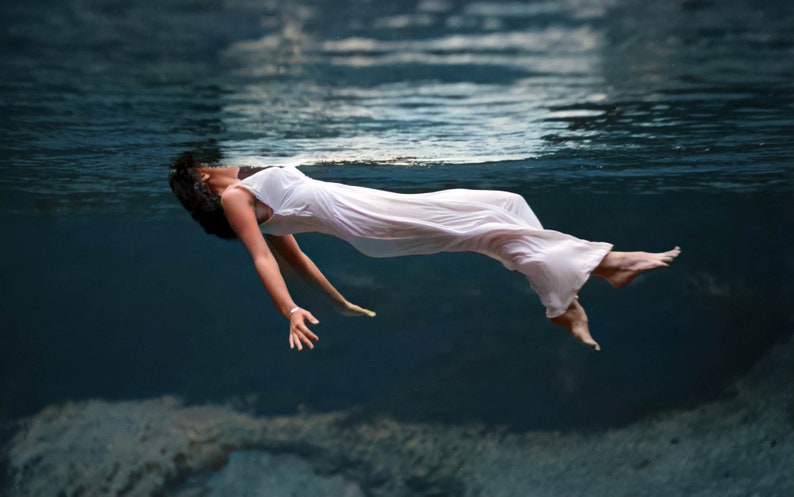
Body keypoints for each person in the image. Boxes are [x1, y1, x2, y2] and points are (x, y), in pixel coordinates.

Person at [169, 155, 680, 352]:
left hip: (376, 213)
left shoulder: (251, 188)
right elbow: (265, 258)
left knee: (504, 204)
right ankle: (606, 268)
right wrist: (290, 309)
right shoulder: (237, 197)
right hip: (371, 221)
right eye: (214, 157)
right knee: (488, 228)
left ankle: (565, 298)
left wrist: (339, 303)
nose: (227, 156)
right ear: (200, 174)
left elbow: (299, 260)